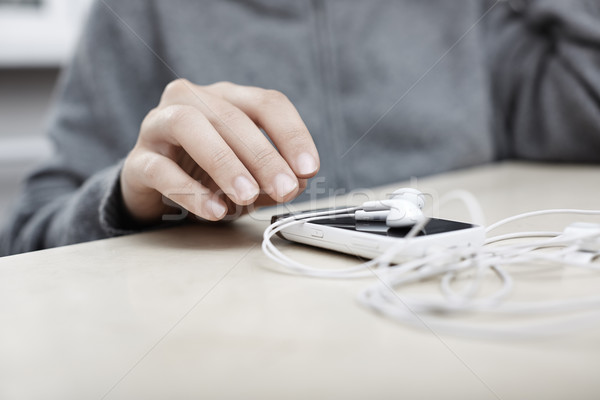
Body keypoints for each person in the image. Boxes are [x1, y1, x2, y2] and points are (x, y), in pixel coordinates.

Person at [1, 0, 600, 256]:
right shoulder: (138, 11)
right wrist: (127, 200)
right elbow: (26, 239)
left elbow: (585, 104)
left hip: (462, 327)